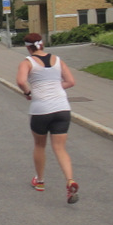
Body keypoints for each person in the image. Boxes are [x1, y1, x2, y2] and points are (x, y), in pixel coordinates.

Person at [15, 33, 79, 204]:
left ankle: (40, 181)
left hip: (41, 109)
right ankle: (69, 181)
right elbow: (71, 82)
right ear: (41, 44)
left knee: (39, 145)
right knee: (60, 148)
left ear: (28, 47)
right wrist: (56, 88)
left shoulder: (27, 62)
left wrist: (29, 92)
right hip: (62, 108)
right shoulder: (58, 60)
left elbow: (21, 81)